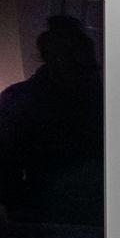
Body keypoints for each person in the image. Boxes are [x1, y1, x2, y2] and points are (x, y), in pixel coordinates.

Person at [0, 14, 105, 225]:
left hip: (79, 212)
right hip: (49, 214)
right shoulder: (20, 101)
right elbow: (5, 168)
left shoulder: (18, 99)